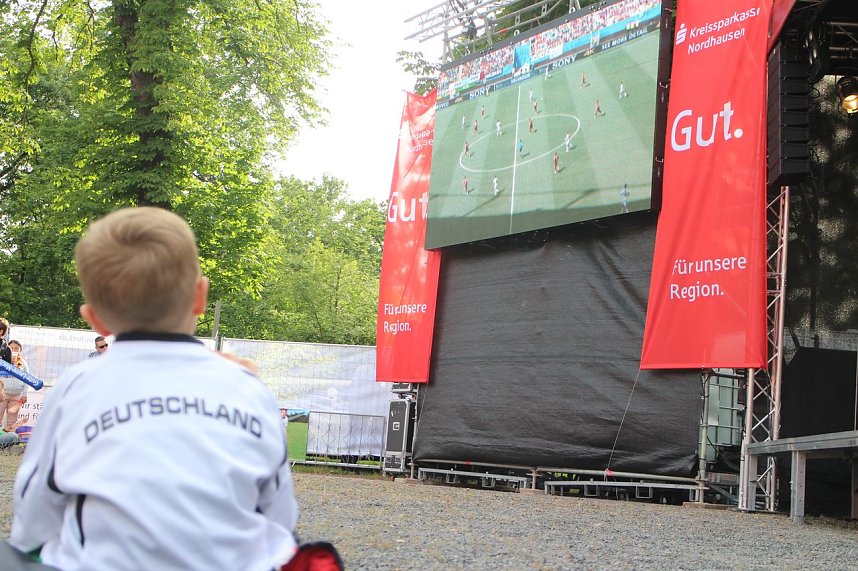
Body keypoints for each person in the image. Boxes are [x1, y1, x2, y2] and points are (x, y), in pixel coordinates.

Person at [10, 207, 300, 570]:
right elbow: (280, 517)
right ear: (200, 296)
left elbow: (34, 508)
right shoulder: (247, 388)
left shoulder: (78, 386)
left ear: (95, 319)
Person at [2, 340, 29, 431]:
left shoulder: (23, 363)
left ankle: (9, 443)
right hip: (2, 395)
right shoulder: (2, 361)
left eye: (16, 348)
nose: (14, 350)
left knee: (12, 421)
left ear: (20, 350)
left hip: (17, 396)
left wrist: (24, 395)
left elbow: (27, 379)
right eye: (11, 348)